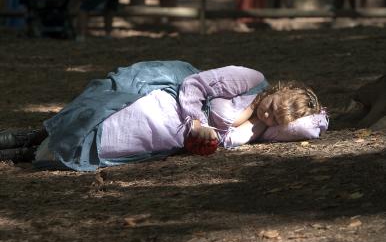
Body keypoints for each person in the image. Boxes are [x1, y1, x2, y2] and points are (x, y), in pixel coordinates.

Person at [0, 61, 328, 171]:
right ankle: (22, 140)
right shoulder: (250, 79)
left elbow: (310, 129)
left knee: (86, 147)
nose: (268, 115)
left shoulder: (261, 127)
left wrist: (261, 122)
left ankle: (21, 155)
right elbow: (196, 84)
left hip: (167, 136)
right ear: (279, 89)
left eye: (274, 119)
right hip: (168, 105)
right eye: (271, 107)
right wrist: (197, 122)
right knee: (87, 124)